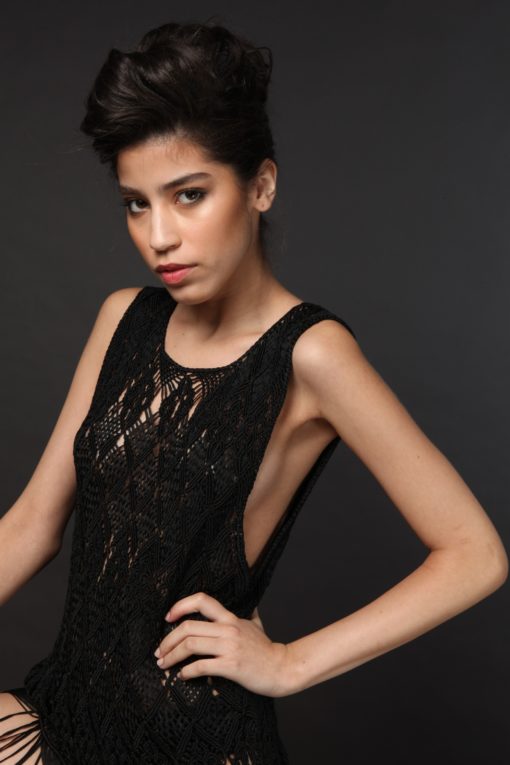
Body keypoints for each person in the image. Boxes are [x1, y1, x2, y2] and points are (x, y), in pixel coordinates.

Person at [0, 18, 507, 765]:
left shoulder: (311, 354)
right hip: (69, 709)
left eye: (189, 195)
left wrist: (290, 662)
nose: (159, 236)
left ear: (260, 185)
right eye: (137, 203)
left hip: (192, 740)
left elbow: (474, 554)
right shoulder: (123, 318)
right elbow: (31, 526)